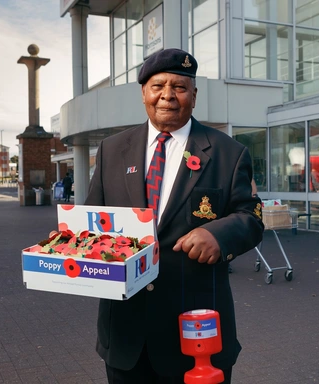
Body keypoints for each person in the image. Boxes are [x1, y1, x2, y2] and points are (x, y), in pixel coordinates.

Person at [85, 48, 264, 383]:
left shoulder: (228, 153)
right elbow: (92, 220)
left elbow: (251, 216)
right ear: (143, 94)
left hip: (197, 335)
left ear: (194, 96)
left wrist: (219, 234)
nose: (167, 95)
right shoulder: (111, 150)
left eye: (179, 87)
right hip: (126, 335)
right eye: (158, 86)